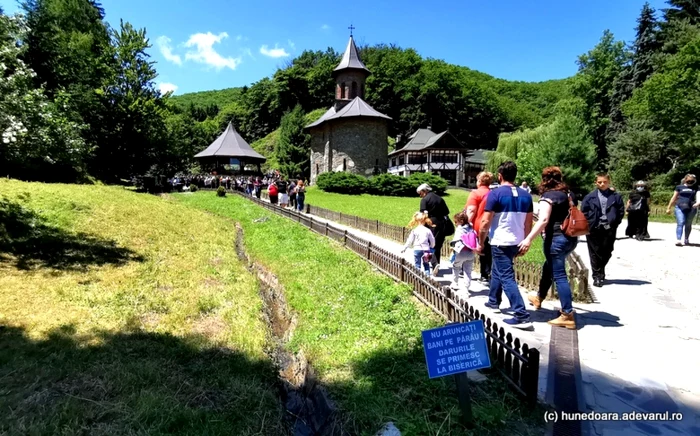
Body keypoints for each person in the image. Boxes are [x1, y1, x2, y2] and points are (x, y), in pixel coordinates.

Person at [519, 167, 579, 330]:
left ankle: (567, 314)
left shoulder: (548, 196)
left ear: (545, 179)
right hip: (570, 238)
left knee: (559, 275)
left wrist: (528, 238)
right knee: (549, 267)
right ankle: (539, 297)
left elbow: (544, 219)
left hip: (556, 239)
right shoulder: (568, 194)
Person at [477, 161, 534, 329]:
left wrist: (480, 241)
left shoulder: (495, 194)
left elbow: (486, 222)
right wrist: (525, 241)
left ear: (500, 176)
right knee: (498, 269)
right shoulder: (526, 195)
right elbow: (528, 223)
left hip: (501, 241)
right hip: (517, 240)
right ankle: (493, 301)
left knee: (507, 276)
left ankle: (521, 314)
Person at [581, 173, 625, 287]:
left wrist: (615, 222)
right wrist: (589, 222)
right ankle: (597, 276)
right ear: (595, 183)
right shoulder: (590, 197)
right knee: (594, 252)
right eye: (599, 182)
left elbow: (621, 211)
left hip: (609, 228)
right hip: (594, 227)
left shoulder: (615, 196)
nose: (602, 184)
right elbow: (584, 211)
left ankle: (600, 270)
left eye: (604, 182)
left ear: (608, 182)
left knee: (607, 251)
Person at [417, 183, 453, 276]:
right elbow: (446, 212)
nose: (420, 195)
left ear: (424, 191)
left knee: (428, 244)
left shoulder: (424, 200)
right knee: (438, 245)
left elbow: (423, 215)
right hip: (441, 223)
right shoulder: (439, 198)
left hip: (430, 223)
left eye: (420, 193)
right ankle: (436, 267)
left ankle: (434, 263)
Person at [465, 171, 493, 283]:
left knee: (475, 249)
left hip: (478, 226)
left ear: (480, 181)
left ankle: (463, 271)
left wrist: (465, 224)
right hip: (491, 226)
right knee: (488, 251)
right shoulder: (493, 193)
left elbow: (471, 210)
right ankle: (486, 274)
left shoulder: (475, 193)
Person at [666, 174, 700, 246]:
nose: (690, 182)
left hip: (692, 207)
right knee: (681, 222)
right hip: (680, 206)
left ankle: (686, 238)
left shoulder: (697, 187)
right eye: (689, 180)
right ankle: (678, 239)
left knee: (688, 223)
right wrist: (669, 207)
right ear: (685, 180)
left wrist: (698, 203)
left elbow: (698, 195)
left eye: (692, 181)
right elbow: (674, 197)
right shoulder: (679, 187)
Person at [400, 212, 436, 276]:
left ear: (416, 221)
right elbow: (432, 240)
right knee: (426, 264)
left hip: (417, 249)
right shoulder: (427, 230)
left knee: (417, 265)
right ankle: (427, 277)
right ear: (425, 220)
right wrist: (431, 246)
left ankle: (418, 277)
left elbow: (409, 240)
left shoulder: (415, 230)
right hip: (426, 249)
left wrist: (404, 248)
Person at [449, 211, 475, 291]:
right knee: (468, 270)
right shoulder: (471, 228)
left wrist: (452, 246)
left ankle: (455, 283)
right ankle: (466, 288)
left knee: (456, 267)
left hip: (461, 252)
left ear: (461, 221)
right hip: (471, 252)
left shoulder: (459, 229)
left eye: (456, 222)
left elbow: (456, 240)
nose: (455, 223)